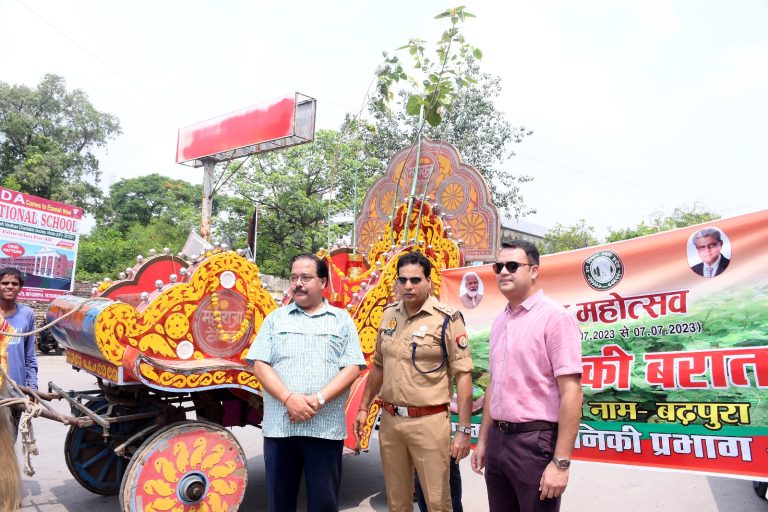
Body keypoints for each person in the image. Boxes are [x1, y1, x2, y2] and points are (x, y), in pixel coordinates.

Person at [354, 251, 474, 512]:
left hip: (429, 422)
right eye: (403, 280)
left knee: (437, 502)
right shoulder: (389, 315)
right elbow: (379, 365)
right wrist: (363, 407)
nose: (408, 285)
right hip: (391, 421)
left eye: (415, 280)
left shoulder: (447, 319)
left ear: (429, 282)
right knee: (397, 501)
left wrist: (463, 430)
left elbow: (463, 375)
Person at [247, 254, 365, 512]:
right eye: (293, 278)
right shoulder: (275, 319)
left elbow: (352, 368)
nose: (298, 283)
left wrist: (317, 400)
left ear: (323, 282)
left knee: (324, 503)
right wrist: (289, 399)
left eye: (306, 277)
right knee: (280, 503)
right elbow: (259, 364)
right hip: (281, 428)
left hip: (324, 430)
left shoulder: (341, 320)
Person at [470, 241, 582, 512]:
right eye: (498, 267)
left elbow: (572, 392)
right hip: (498, 441)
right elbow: (494, 384)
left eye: (512, 266)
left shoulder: (555, 318)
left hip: (534, 442)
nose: (503, 272)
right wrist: (483, 442)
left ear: (533, 271)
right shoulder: (500, 322)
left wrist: (561, 463)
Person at [0, 268, 37, 436]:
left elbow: (30, 355)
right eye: (4, 283)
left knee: (10, 438)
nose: (10, 286)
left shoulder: (27, 314)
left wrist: (32, 387)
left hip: (15, 390)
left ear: (20, 288)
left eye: (14, 283)